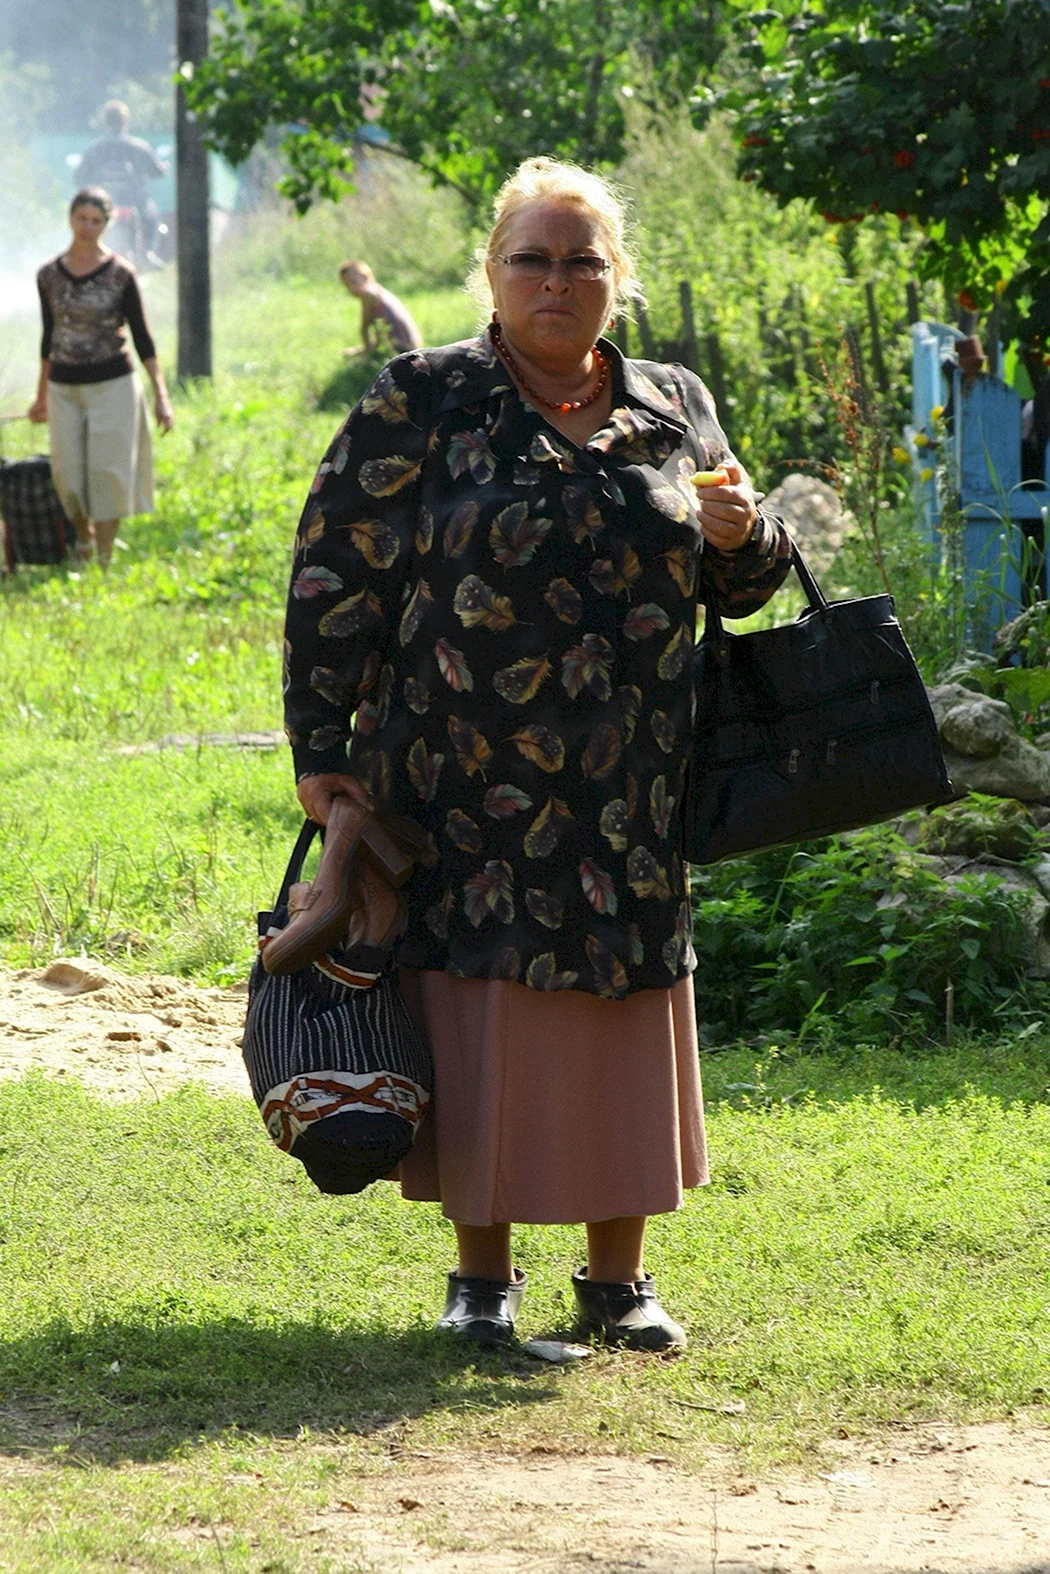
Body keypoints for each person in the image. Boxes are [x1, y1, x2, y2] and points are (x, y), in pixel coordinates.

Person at [285, 157, 792, 1351]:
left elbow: (747, 581)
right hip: (459, 782)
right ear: (492, 273)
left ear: (618, 279)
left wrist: (743, 532)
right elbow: (332, 574)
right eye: (533, 258)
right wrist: (322, 746)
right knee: (482, 1019)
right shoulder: (421, 398)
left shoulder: (674, 403)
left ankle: (619, 1282)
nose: (558, 280)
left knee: (621, 1012)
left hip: (631, 786)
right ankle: (482, 1284)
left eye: (583, 261)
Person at [28, 187, 174, 567]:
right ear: (71, 218)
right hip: (64, 384)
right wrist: (40, 394)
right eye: (82, 218)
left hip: (113, 383)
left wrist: (161, 394)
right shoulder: (48, 275)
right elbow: (49, 336)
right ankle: (83, 535)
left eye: (96, 221)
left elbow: (143, 336)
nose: (88, 227)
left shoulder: (121, 274)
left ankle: (103, 556)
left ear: (106, 224)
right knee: (67, 472)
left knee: (108, 470)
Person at [75, 100, 167, 266]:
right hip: (137, 202)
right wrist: (163, 168)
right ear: (125, 121)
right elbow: (157, 171)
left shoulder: (95, 149)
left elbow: (80, 178)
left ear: (106, 122)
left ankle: (87, 255)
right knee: (152, 216)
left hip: (104, 204)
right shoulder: (139, 147)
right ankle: (148, 253)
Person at [338, 260, 423, 357]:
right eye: (347, 286)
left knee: (364, 357)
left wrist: (367, 351)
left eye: (353, 282)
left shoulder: (368, 294)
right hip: (413, 343)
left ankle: (367, 354)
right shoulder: (378, 290)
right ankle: (366, 351)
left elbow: (365, 326)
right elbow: (380, 330)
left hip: (402, 348)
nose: (351, 289)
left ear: (365, 276)